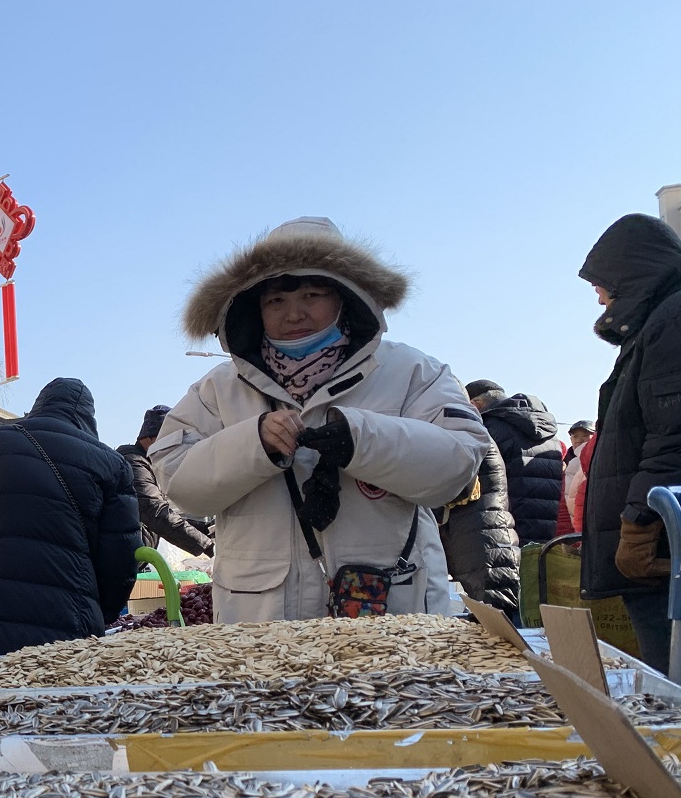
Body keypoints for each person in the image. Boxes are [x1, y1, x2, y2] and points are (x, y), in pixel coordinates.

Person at [152, 217, 488, 623]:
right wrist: (253, 444)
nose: (294, 314)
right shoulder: (217, 390)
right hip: (259, 623)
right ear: (254, 309)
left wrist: (362, 439)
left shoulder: (413, 370)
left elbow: (458, 463)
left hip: (392, 615)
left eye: (312, 294)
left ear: (346, 295)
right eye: (275, 301)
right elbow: (178, 482)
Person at [0, 377, 141, 655]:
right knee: (57, 696)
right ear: (89, 417)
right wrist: (101, 612)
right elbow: (121, 556)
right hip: (71, 620)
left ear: (39, 405)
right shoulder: (112, 464)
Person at [577, 214, 681, 671]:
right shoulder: (654, 325)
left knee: (671, 688)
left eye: (602, 283)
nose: (598, 295)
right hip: (661, 546)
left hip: (664, 550)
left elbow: (672, 435)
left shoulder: (671, 320)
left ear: (632, 273)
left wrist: (640, 523)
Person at [466, 380, 565, 545]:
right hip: (546, 526)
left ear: (475, 404)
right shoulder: (549, 434)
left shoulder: (489, 428)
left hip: (504, 527)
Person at [437, 440, 521, 620]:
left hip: (479, 532)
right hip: (483, 528)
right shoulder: (473, 434)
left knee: (494, 611)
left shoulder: (467, 436)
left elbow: (459, 488)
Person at [116, 405, 214, 557]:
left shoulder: (147, 464)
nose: (174, 449)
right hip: (121, 557)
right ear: (149, 438)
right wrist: (206, 544)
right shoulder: (134, 464)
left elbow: (160, 512)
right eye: (169, 442)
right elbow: (153, 510)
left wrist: (204, 529)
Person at [558, 419, 595, 535]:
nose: (579, 440)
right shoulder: (564, 462)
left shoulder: (593, 460)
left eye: (585, 436)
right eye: (575, 436)